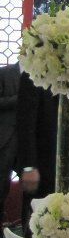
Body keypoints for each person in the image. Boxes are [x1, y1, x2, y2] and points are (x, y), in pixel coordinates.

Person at [16, 70, 69, 231]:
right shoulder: (35, 75)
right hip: (46, 164)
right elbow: (25, 126)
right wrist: (28, 166)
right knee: (44, 223)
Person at [0, 62, 20, 224]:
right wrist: (19, 99)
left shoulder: (44, 77)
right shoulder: (4, 73)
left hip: (32, 143)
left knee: (34, 189)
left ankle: (29, 231)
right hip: (5, 141)